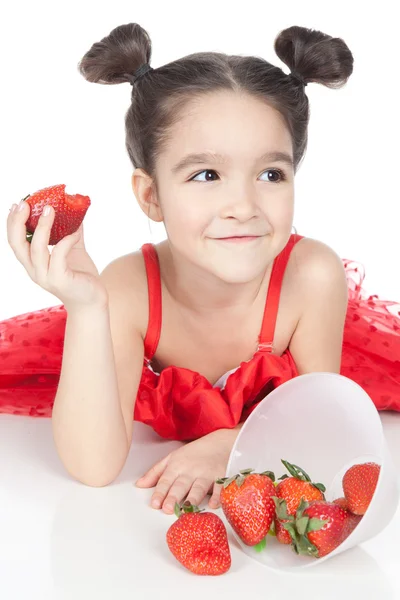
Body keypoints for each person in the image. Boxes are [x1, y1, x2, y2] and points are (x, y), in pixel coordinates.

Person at [2, 23, 400, 515]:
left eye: (271, 174)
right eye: (206, 175)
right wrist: (86, 309)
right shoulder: (129, 290)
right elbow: (94, 467)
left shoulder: (310, 276)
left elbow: (322, 427)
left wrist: (230, 446)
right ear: (151, 196)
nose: (244, 205)